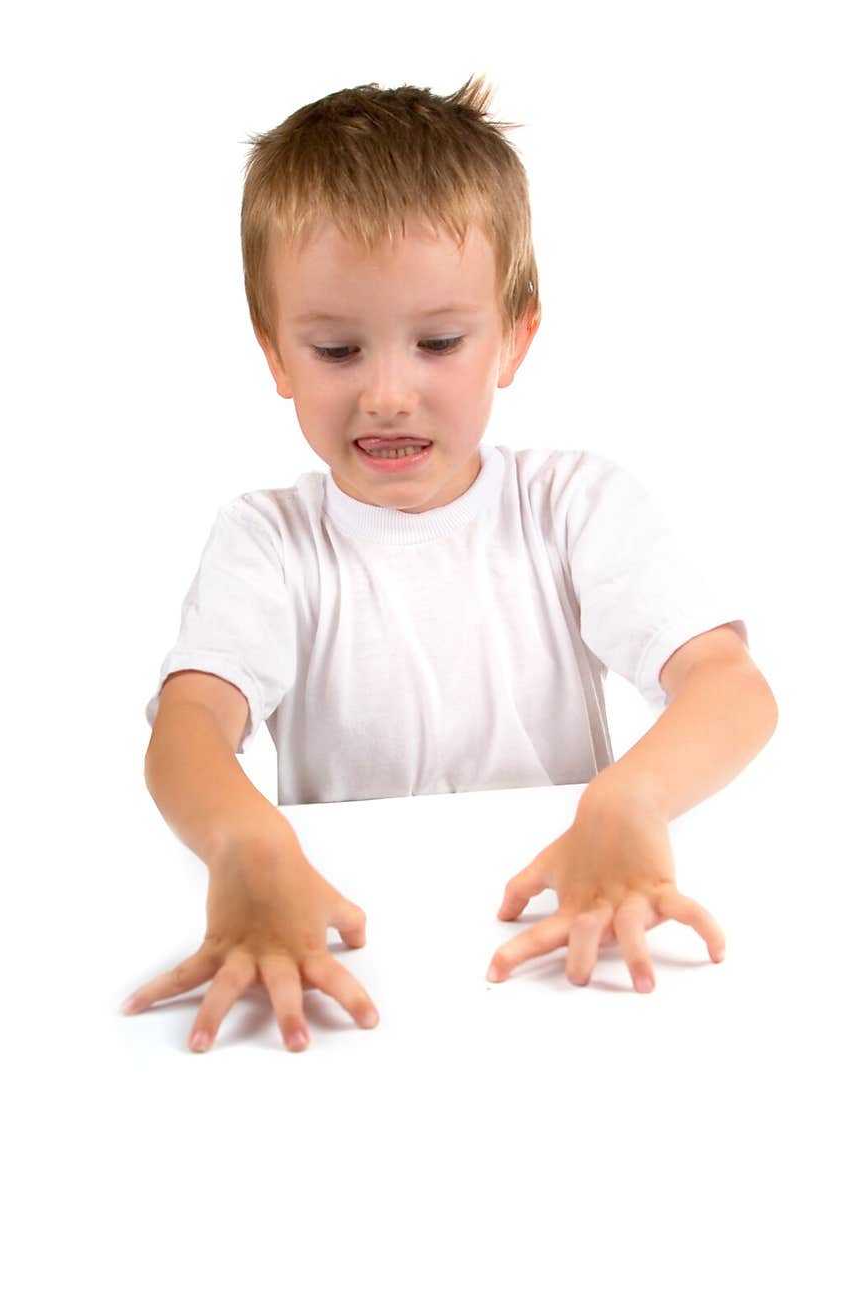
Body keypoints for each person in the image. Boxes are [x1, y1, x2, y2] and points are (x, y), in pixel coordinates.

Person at [122, 76, 778, 1054]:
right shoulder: (267, 540)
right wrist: (244, 842)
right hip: (358, 973)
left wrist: (628, 798)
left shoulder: (573, 506)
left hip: (564, 962)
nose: (388, 392)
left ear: (514, 336)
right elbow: (188, 726)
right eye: (337, 348)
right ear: (276, 355)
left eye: (437, 341)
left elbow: (730, 687)